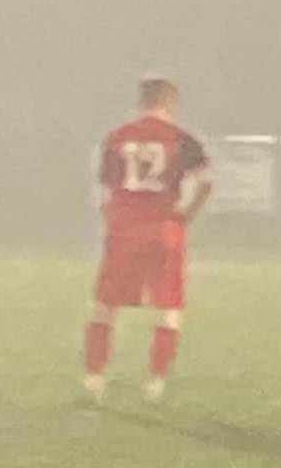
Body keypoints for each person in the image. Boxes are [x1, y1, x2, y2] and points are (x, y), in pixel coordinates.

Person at [83, 76, 213, 404]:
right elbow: (206, 182)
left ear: (141, 101)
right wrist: (186, 214)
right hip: (164, 229)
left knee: (105, 305)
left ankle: (94, 377)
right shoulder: (183, 139)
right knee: (169, 307)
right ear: (170, 103)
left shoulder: (117, 137)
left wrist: (113, 217)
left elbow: (104, 188)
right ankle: (155, 381)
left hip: (124, 230)